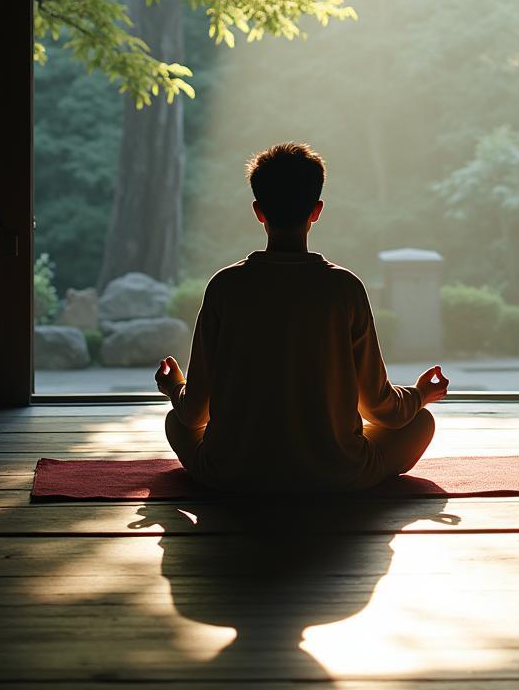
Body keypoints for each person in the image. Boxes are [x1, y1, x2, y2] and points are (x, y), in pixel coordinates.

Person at [157, 141, 449, 492]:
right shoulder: (344, 289)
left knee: (175, 422)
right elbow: (380, 408)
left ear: (258, 211)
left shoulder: (225, 286)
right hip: (336, 474)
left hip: (232, 474)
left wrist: (174, 387)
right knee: (421, 424)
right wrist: (419, 395)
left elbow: (192, 416)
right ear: (317, 210)